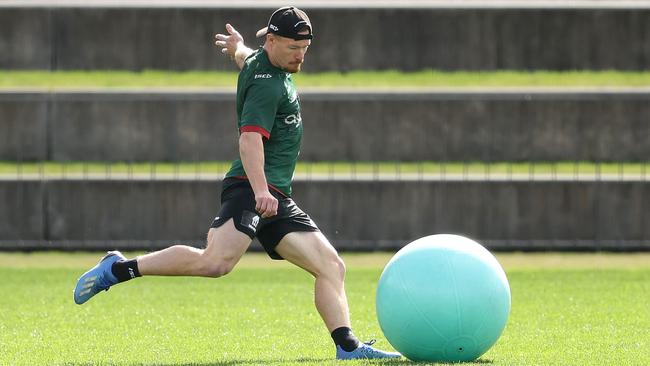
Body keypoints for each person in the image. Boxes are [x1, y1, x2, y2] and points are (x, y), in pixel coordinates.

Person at [73, 6, 401, 361]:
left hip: (274, 194)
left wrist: (237, 48)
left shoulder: (261, 60)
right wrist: (260, 190)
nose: (300, 56)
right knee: (215, 263)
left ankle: (347, 346)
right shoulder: (267, 86)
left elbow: (247, 58)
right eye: (293, 48)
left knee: (331, 266)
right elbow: (249, 140)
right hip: (252, 187)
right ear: (272, 41)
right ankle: (119, 268)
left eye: (305, 48)